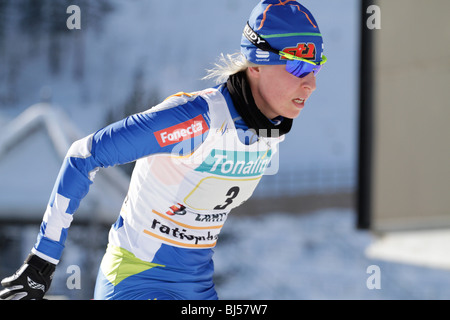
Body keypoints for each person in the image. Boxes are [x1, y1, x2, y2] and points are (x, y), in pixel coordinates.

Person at [0, 0, 326, 300]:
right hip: (137, 280)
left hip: (197, 285)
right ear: (255, 64)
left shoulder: (271, 125)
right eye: (298, 67)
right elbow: (83, 155)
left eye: (316, 68)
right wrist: (43, 260)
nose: (310, 84)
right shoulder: (197, 120)